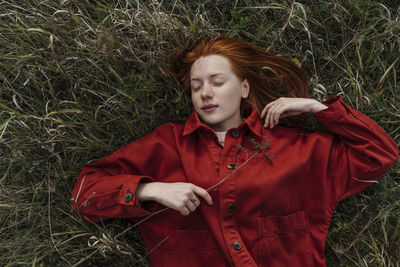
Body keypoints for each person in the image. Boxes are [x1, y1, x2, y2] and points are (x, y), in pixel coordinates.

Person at [71, 36, 399, 267]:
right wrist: (150, 189)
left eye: (217, 81)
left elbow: (379, 154)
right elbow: (85, 193)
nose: (205, 93)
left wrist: (316, 108)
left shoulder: (300, 151)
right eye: (196, 86)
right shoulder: (166, 145)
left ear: (244, 88)